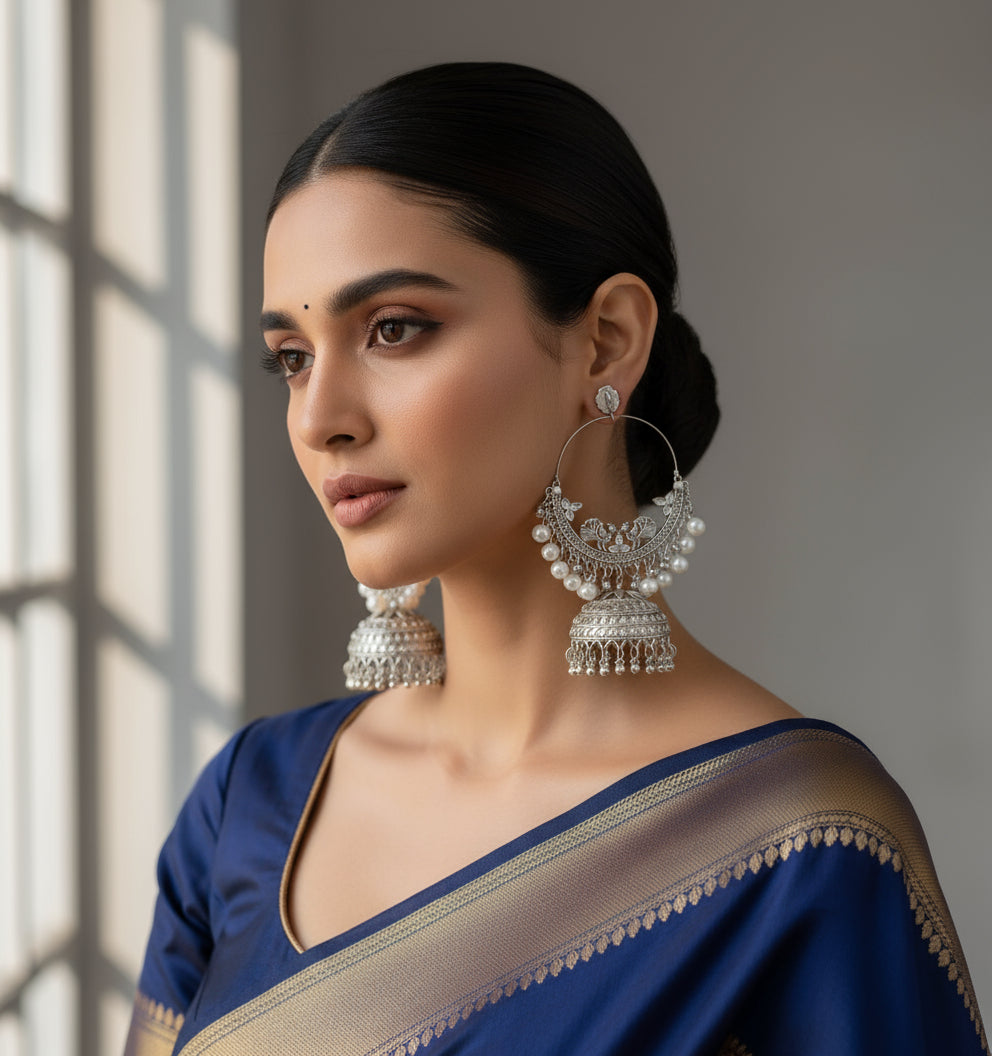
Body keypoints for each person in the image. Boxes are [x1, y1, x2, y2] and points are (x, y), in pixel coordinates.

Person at [124, 63, 986, 1056]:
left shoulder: (802, 848)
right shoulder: (249, 805)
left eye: (394, 329)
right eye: (293, 357)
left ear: (605, 343)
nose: (319, 418)